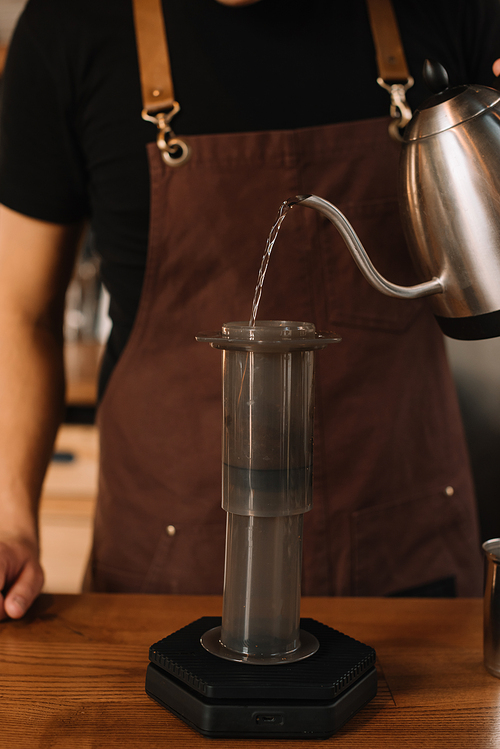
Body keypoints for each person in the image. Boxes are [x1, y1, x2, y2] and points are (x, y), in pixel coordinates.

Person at [1, 0, 500, 620]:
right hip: (170, 566)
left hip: (406, 560)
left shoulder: (449, 10)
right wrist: (12, 517)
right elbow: (20, 312)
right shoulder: (70, 26)